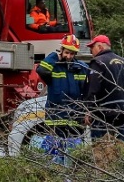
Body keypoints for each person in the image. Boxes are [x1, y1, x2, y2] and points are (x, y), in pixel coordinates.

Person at [36, 34, 89, 163]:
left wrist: (86, 110)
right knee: (55, 148)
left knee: (74, 150)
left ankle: (70, 173)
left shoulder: (81, 68)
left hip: (75, 115)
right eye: (66, 52)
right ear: (61, 50)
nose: (69, 56)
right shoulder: (54, 65)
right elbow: (41, 70)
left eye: (72, 54)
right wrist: (55, 56)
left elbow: (87, 91)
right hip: (56, 115)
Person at [84, 34, 124, 141]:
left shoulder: (97, 62)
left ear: (100, 47)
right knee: (121, 148)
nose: (91, 52)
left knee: (101, 148)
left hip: (102, 113)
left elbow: (93, 88)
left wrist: (89, 110)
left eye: (92, 48)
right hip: (123, 111)